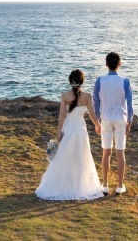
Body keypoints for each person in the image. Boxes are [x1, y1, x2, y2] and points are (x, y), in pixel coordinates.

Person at [35, 69, 104, 200]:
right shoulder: (87, 96)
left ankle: (63, 184)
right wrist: (98, 126)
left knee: (64, 156)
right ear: (82, 82)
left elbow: (62, 115)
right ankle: (80, 185)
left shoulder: (64, 96)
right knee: (81, 157)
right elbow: (92, 114)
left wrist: (59, 133)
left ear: (70, 82)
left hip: (68, 129)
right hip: (80, 129)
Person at [93, 51, 134, 195]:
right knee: (120, 151)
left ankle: (105, 185)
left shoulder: (99, 81)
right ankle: (119, 185)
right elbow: (130, 103)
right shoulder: (125, 81)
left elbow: (95, 102)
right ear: (119, 64)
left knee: (106, 152)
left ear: (106, 64)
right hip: (120, 118)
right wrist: (130, 121)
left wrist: (97, 121)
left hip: (106, 118)